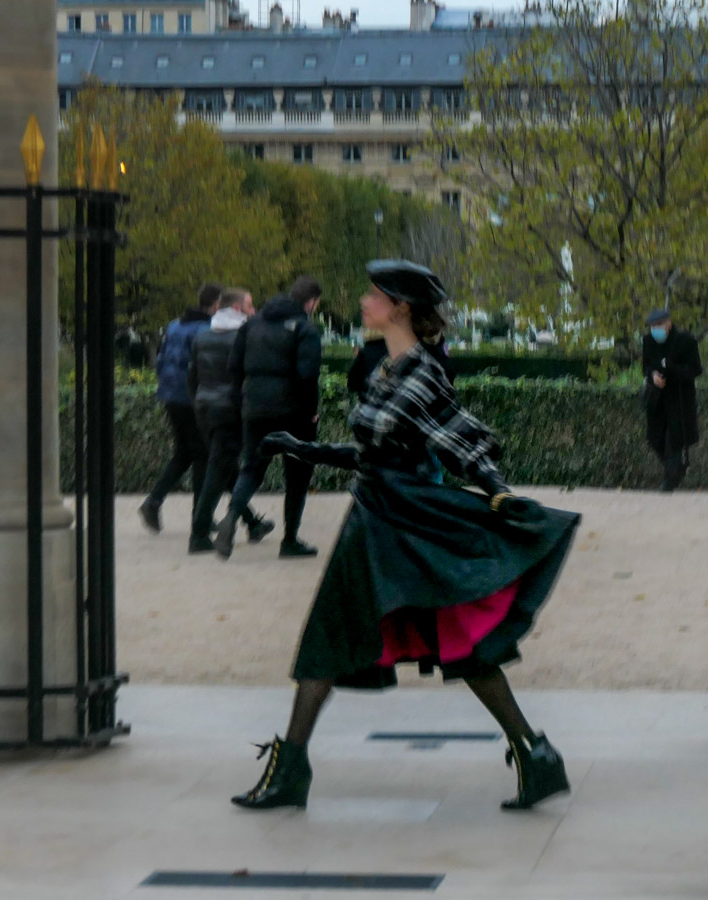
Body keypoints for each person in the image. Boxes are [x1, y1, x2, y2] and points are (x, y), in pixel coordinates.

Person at [230, 259, 581, 813]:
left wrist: (497, 492)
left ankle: (291, 772)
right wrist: (304, 449)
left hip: (398, 523)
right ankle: (536, 758)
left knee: (347, 638)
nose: (363, 301)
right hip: (380, 517)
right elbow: (375, 453)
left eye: (374, 295)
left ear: (400, 308)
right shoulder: (388, 370)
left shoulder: (422, 373)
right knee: (442, 642)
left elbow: (459, 439)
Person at [213, 276, 324, 561]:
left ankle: (232, 516)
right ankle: (290, 541)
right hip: (294, 414)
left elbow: (234, 367)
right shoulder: (306, 329)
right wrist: (311, 410)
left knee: (252, 468)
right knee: (297, 475)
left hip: (255, 409)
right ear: (312, 302)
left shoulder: (252, 324)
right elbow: (308, 376)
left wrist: (243, 402)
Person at [187, 289, 273, 553]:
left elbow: (192, 377)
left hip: (205, 408)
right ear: (237, 309)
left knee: (225, 467)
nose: (254, 310)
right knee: (218, 469)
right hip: (230, 410)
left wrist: (198, 402)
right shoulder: (245, 338)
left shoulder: (202, 336)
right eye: (250, 305)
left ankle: (252, 522)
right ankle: (199, 533)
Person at [139, 284, 221, 532]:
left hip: (171, 395)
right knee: (202, 456)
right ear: (216, 304)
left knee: (185, 453)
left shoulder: (174, 325)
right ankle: (200, 516)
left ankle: (154, 502)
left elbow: (161, 360)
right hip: (192, 399)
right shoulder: (206, 330)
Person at [641, 308, 702, 492]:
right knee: (655, 438)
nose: (655, 330)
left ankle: (670, 481)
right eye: (652, 326)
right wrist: (653, 375)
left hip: (679, 399)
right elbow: (646, 366)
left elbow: (695, 370)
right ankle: (676, 470)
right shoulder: (648, 341)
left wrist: (672, 369)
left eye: (659, 325)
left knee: (674, 440)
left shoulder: (686, 341)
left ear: (668, 324)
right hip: (657, 399)